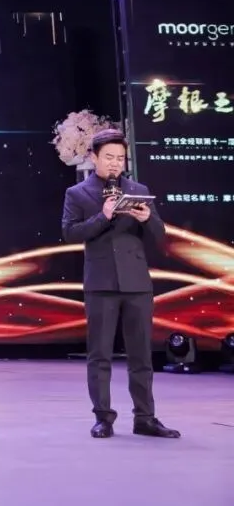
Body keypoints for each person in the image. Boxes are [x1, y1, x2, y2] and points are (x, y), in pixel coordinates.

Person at [61, 128, 180, 439]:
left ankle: (145, 418)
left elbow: (160, 235)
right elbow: (70, 233)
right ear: (94, 158)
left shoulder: (139, 190)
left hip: (137, 283)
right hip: (100, 283)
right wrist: (103, 216)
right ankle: (103, 417)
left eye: (120, 158)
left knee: (141, 355)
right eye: (109, 157)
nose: (115, 164)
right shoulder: (78, 193)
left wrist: (146, 219)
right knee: (100, 354)